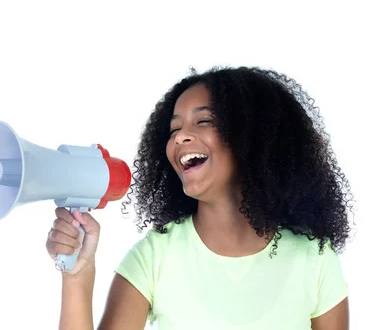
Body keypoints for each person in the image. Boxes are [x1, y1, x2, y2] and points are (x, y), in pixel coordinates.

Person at [46, 66, 351, 330]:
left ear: (252, 137)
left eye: (203, 121)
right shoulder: (154, 257)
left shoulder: (315, 260)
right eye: (174, 128)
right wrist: (77, 275)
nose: (180, 136)